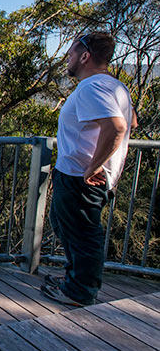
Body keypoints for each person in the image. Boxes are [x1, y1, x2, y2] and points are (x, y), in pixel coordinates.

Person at [41, 32, 137, 306]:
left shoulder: (92, 88)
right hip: (78, 175)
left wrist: (93, 167)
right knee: (64, 225)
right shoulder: (115, 87)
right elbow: (132, 123)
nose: (68, 59)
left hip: (81, 177)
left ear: (85, 56)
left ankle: (79, 292)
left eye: (71, 53)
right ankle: (74, 281)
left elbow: (118, 127)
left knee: (83, 234)